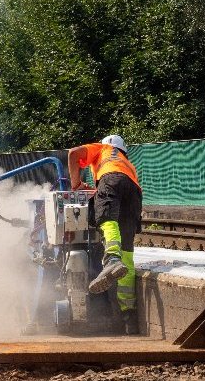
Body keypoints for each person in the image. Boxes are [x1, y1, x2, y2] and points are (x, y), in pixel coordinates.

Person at [67, 134, 141, 334]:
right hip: (134, 191)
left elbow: (73, 154)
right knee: (128, 254)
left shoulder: (101, 149)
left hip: (109, 181)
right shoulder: (128, 164)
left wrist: (76, 185)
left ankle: (111, 259)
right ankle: (129, 316)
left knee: (106, 218)